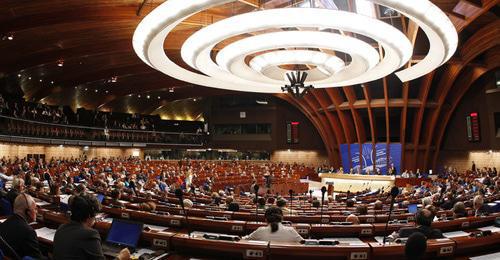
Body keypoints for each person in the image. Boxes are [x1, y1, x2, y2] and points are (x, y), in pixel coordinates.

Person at [53, 194, 130, 260]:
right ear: (90, 216)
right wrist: (121, 257)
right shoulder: (89, 234)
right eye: (96, 215)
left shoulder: (61, 227)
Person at [0, 193, 42, 258]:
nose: (36, 212)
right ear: (28, 212)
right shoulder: (29, 232)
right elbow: (37, 257)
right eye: (35, 209)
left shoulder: (3, 224)